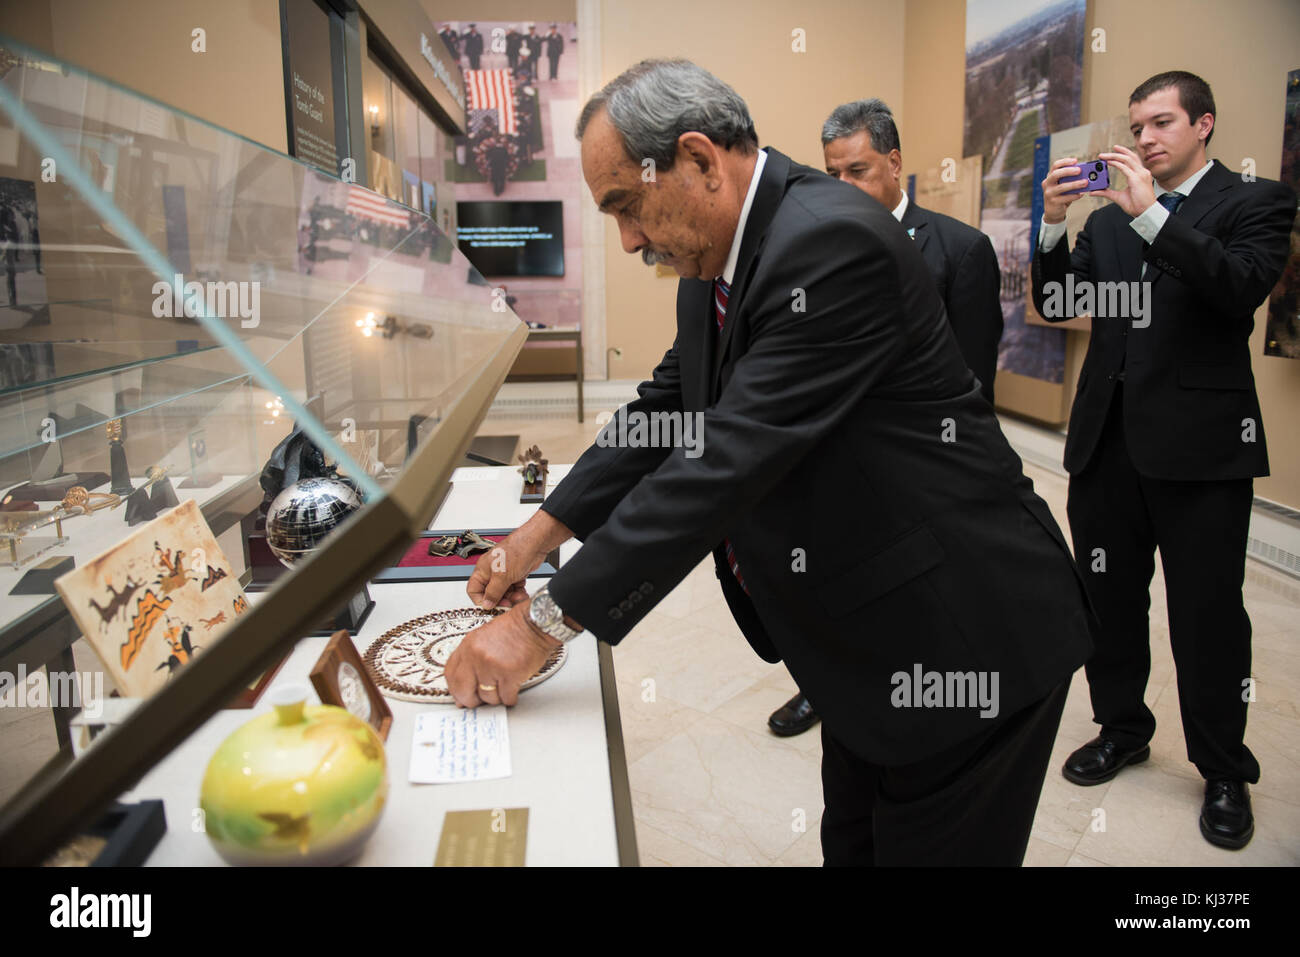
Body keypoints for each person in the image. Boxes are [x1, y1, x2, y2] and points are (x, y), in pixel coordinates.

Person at [443, 59, 1093, 866]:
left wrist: (542, 623)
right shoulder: (714, 261)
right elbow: (665, 410)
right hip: (865, 640)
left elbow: (723, 460)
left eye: (627, 206)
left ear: (700, 160)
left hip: (963, 631)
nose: (631, 238)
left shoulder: (832, 242)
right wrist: (536, 536)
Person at [1031, 71, 1295, 850]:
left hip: (1203, 451)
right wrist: (1050, 223)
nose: (1144, 137)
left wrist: (1150, 215)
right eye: (1137, 124)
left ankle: (1221, 769)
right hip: (1107, 444)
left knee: (1207, 616)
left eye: (1162, 122)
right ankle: (1122, 726)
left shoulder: (1258, 201)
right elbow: (1057, 302)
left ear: (1204, 124)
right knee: (1108, 602)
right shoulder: (1108, 221)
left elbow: (1237, 288)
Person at [768, 97, 1007, 738]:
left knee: (916, 603)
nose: (843, 187)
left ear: (895, 163)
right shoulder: (812, 253)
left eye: (859, 171)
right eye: (832, 174)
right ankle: (825, 687)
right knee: (833, 587)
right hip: (835, 458)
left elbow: (973, 384)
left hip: (925, 470)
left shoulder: (963, 250)